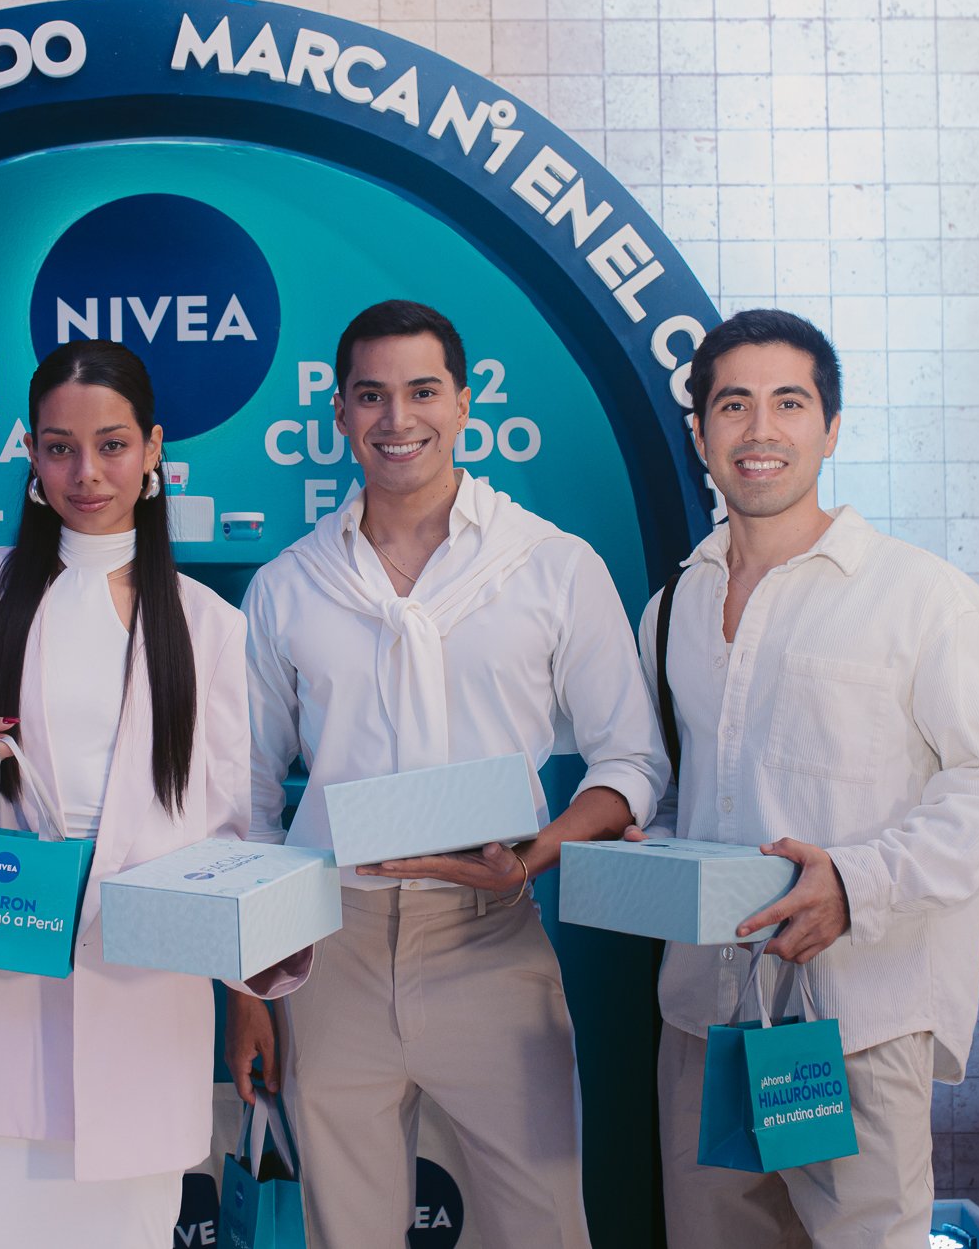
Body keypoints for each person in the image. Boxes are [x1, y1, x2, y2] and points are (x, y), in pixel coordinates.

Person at [226, 300, 667, 1246]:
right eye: (371, 395)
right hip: (328, 947)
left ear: (465, 403)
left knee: (543, 1225)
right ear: (339, 411)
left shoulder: (551, 565)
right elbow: (249, 802)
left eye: (423, 391)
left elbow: (631, 760)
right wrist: (249, 988)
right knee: (346, 1232)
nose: (398, 418)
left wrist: (531, 857)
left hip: (491, 939)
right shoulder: (289, 585)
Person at [630, 308, 979, 1248]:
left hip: (856, 1019)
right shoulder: (671, 609)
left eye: (790, 402)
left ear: (832, 430)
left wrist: (855, 885)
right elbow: (680, 792)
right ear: (699, 433)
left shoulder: (921, 596)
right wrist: (639, 852)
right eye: (733, 404)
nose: (761, 429)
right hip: (705, 1021)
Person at [0, 339, 308, 1246]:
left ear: (152, 448)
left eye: (112, 445)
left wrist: (250, 992)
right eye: (60, 447)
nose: (86, 473)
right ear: (30, 453)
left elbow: (233, 828)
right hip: (7, 948)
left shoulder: (207, 623)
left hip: (144, 976)